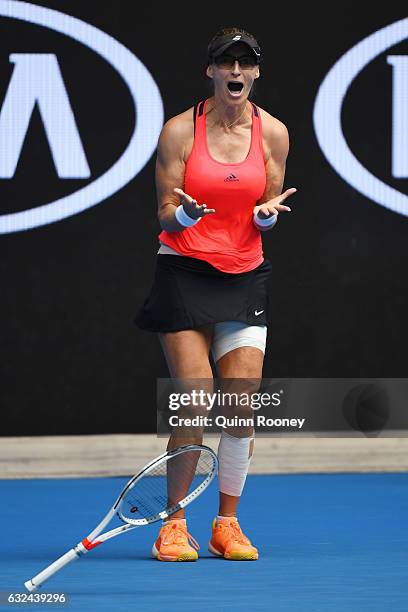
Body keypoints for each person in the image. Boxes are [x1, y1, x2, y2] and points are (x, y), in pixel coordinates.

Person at [135, 26, 296, 562]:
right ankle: (173, 523)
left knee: (241, 403)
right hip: (184, 270)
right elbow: (163, 212)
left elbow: (267, 206)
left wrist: (266, 221)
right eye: (225, 62)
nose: (235, 71)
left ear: (255, 73)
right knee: (194, 395)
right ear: (211, 71)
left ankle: (226, 523)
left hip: (244, 273)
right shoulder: (180, 131)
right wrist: (184, 215)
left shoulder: (274, 133)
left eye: (244, 63)